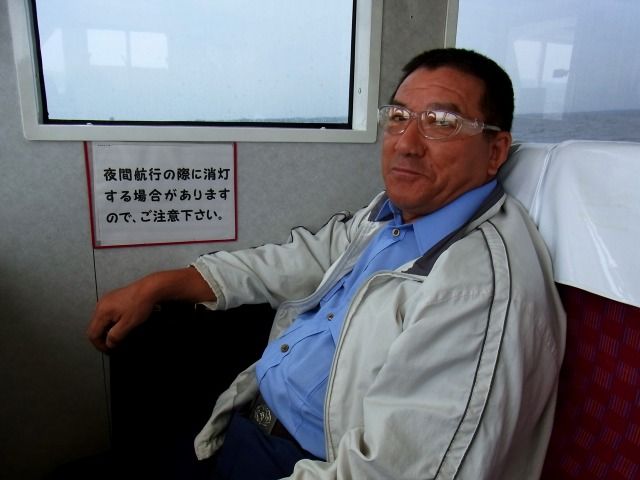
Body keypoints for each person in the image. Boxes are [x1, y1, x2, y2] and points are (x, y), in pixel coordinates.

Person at [88, 47, 566, 479]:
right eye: (399, 116)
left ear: (495, 152)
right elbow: (299, 258)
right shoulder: (390, 218)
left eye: (441, 121)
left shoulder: (477, 289)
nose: (406, 142)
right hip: (244, 423)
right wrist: (162, 284)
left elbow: (388, 473)